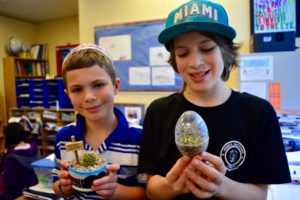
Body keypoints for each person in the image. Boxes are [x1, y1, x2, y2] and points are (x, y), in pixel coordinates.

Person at [138, 0, 291, 199]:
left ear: (226, 52)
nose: (195, 63)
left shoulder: (258, 112)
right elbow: (151, 189)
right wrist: (170, 185)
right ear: (175, 59)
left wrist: (220, 186)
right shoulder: (158, 111)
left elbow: (260, 195)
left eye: (207, 48)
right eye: (183, 53)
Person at [52, 44, 147, 199]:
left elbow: (148, 194)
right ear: (68, 94)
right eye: (77, 89)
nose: (89, 97)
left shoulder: (139, 138)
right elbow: (56, 184)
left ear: (115, 86)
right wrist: (64, 186)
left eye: (98, 85)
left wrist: (116, 191)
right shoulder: (64, 137)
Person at [0, 122, 39, 200]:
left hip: (20, 195)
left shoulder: (10, 158)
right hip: (36, 190)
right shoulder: (35, 146)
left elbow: (10, 187)